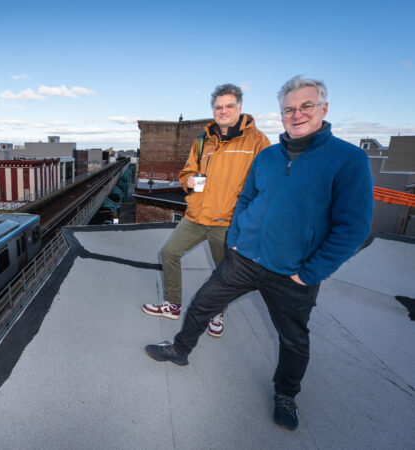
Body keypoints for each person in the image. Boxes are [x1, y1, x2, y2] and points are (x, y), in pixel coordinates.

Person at [144, 75, 374, 430]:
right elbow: (248, 199)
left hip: (293, 272)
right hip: (244, 258)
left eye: (306, 106)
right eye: (289, 109)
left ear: (324, 109)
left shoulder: (348, 159)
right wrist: (236, 240)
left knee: (293, 339)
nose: (297, 115)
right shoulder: (268, 156)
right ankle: (180, 350)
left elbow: (353, 228)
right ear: (281, 113)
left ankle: (286, 394)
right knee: (204, 302)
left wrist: (309, 274)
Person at [142, 83, 270, 338]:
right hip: (197, 215)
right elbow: (188, 171)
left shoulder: (257, 141)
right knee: (169, 252)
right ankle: (172, 304)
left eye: (229, 106)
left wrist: (250, 223)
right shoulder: (203, 139)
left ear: (240, 108)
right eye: (218, 107)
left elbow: (266, 185)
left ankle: (217, 312)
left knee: (225, 272)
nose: (223, 111)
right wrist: (186, 181)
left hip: (228, 220)